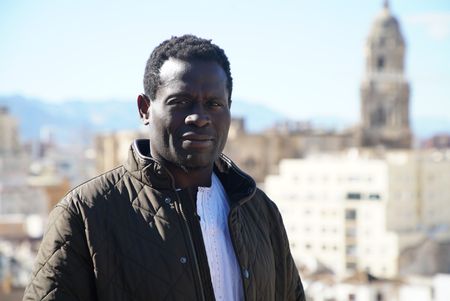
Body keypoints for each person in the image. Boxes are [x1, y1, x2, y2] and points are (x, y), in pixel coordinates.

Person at [23, 34, 305, 301]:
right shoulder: (85, 214)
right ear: (145, 109)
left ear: (229, 109)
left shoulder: (259, 211)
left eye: (214, 104)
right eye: (180, 102)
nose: (200, 117)